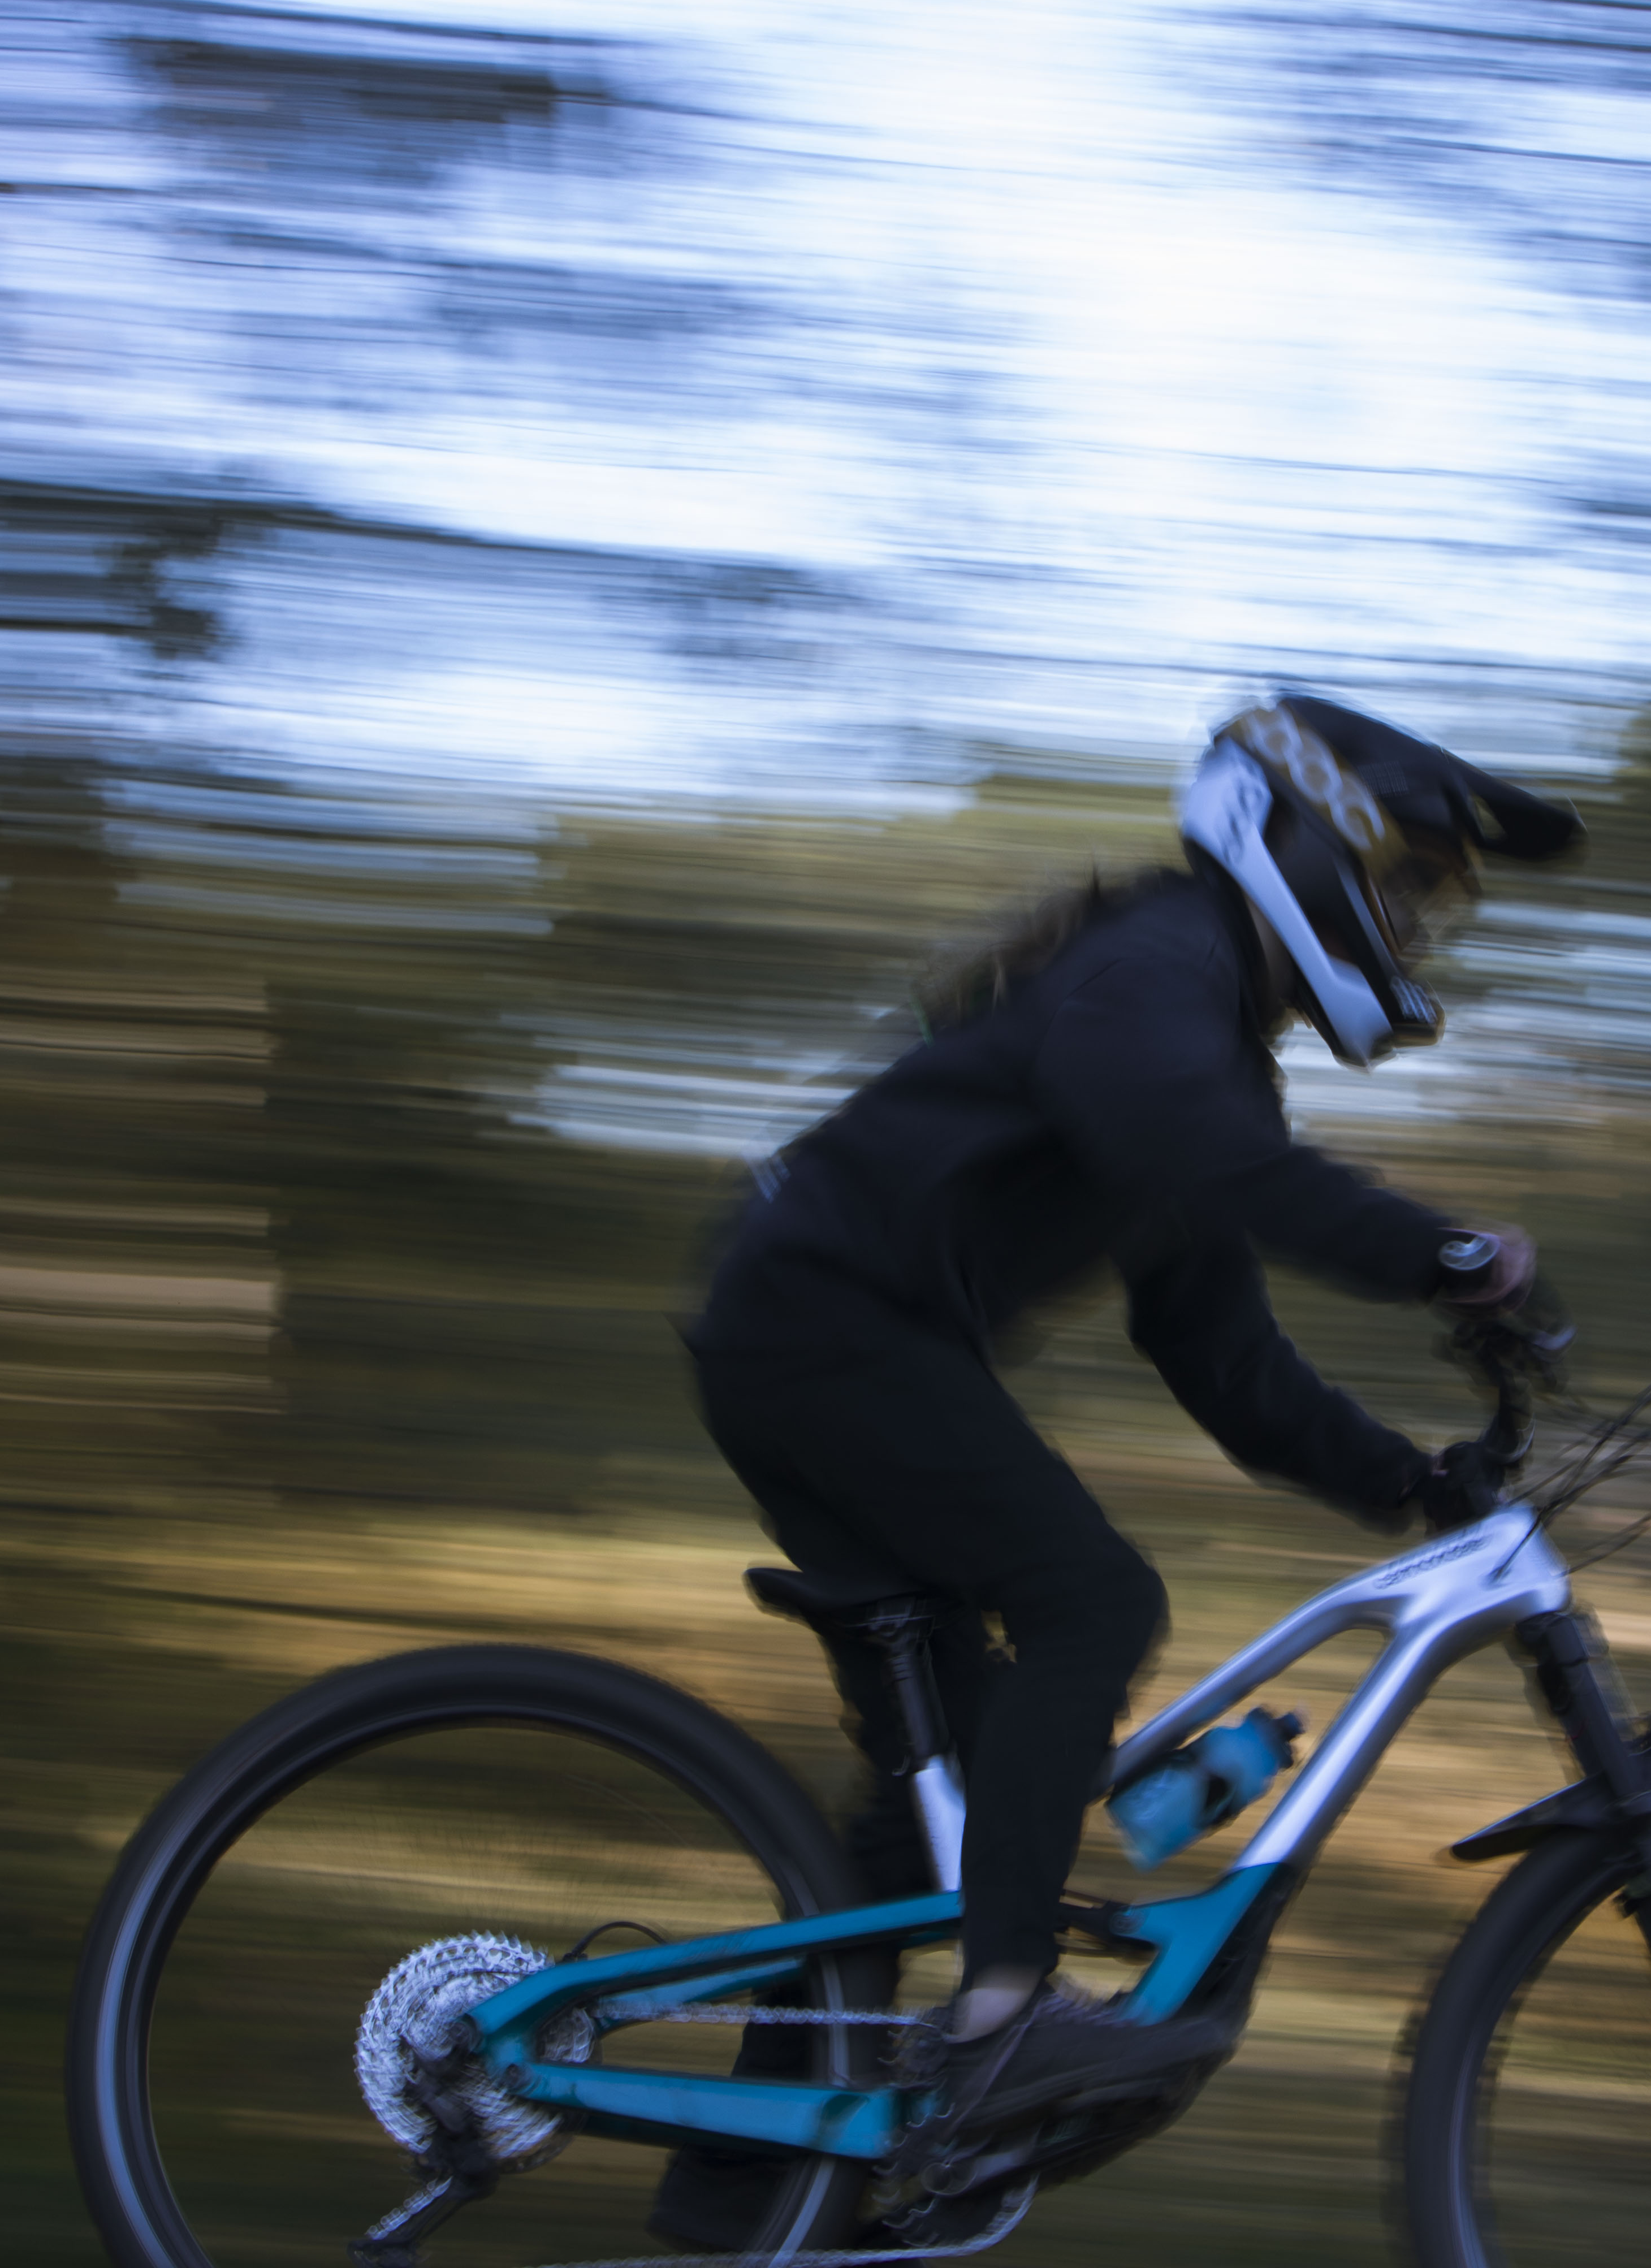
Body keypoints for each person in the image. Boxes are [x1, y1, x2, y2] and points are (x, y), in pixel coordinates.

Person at [659, 694, 1581, 2237]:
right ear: (1304, 842)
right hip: (820, 1327)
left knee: (934, 1799)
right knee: (1092, 1599)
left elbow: (1225, 1364)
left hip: (813, 1334)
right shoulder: (1155, 967)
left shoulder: (1201, 1047)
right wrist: (1445, 1255)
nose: (1419, 928)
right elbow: (1223, 1168)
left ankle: (746, 2203)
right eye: (1409, 883)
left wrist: (1414, 1485)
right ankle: (1003, 2017)